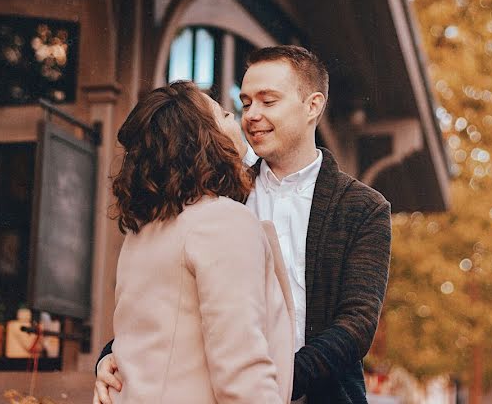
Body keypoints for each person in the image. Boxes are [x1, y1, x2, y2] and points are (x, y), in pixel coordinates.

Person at [95, 46, 392, 404]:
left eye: (268, 101)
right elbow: (168, 297)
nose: (251, 115)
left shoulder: (364, 207)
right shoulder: (213, 200)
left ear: (313, 106)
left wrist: (277, 381)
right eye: (245, 102)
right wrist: (112, 356)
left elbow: (356, 324)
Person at [99, 81, 295, 404]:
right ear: (204, 138)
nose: (235, 117)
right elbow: (242, 373)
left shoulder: (141, 235)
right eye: (222, 114)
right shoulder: (223, 222)